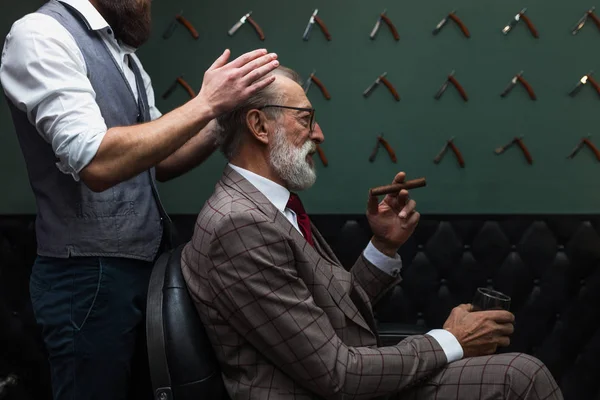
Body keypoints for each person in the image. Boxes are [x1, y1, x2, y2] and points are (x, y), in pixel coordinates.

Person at [181, 65, 563, 400]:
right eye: (306, 119)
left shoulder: (268, 207)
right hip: (326, 391)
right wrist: (452, 340)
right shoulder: (240, 224)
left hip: (337, 383)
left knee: (519, 374)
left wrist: (383, 245)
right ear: (259, 126)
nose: (319, 135)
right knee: (521, 378)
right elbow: (337, 374)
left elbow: (327, 315)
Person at [0, 0, 279, 398]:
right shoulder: (40, 34)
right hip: (86, 280)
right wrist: (206, 102)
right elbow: (95, 159)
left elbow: (160, 158)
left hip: (147, 267)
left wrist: (223, 117)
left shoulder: (123, 55)